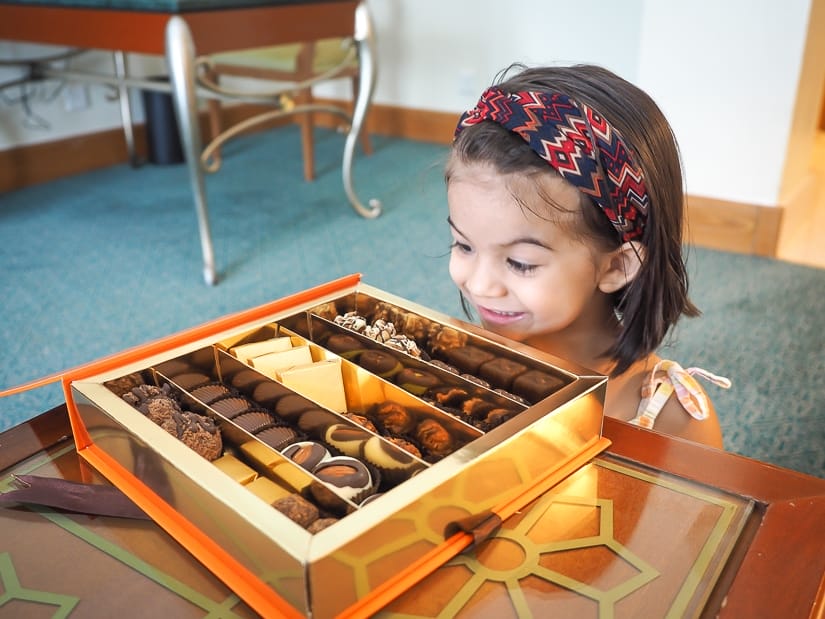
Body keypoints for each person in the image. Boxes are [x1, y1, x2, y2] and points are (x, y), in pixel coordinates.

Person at [445, 63, 730, 448]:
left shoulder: (672, 421)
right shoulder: (453, 358)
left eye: (521, 263)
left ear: (617, 266)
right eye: (464, 245)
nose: (478, 285)